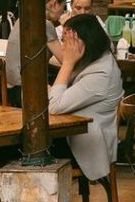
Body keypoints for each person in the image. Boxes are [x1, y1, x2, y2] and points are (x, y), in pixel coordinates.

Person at [48, 14, 122, 184]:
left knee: (12, 152)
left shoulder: (100, 73)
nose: (64, 46)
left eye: (67, 41)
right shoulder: (96, 61)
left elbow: (54, 106)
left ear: (83, 41)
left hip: (85, 149)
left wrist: (67, 63)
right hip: (72, 137)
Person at [6, 0, 66, 106]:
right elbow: (64, 60)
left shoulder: (22, 19)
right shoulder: (44, 24)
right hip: (27, 91)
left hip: (11, 89)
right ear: (54, 3)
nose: (62, 13)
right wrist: (67, 26)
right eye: (63, 7)